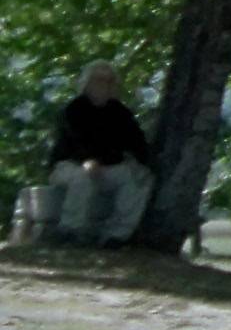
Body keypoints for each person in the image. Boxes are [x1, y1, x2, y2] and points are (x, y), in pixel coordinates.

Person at [43, 65, 156, 246]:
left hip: (107, 167)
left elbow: (137, 143)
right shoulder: (73, 109)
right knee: (82, 176)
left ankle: (116, 235)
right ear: (86, 83)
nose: (104, 85)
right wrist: (86, 160)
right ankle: (71, 230)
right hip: (69, 166)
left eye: (109, 81)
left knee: (140, 178)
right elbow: (74, 142)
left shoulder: (120, 113)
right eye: (98, 80)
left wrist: (141, 164)